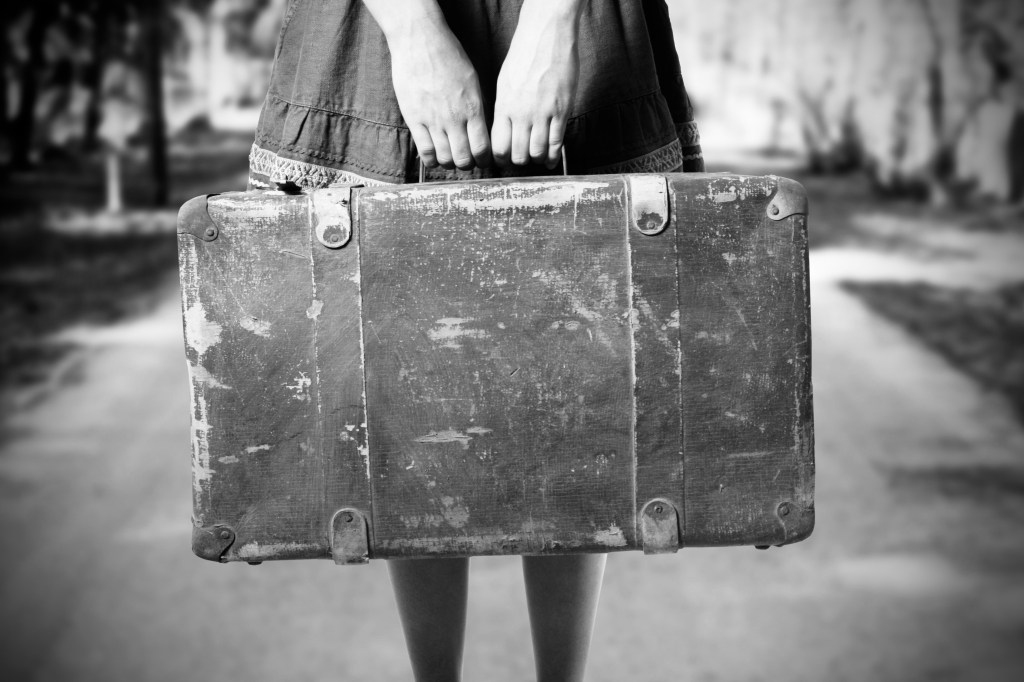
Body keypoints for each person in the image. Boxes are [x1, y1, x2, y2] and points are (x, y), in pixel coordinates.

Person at [249, 1, 703, 680]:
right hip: (371, 28)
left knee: (580, 351)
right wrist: (412, 31)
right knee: (402, 366)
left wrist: (555, 21)